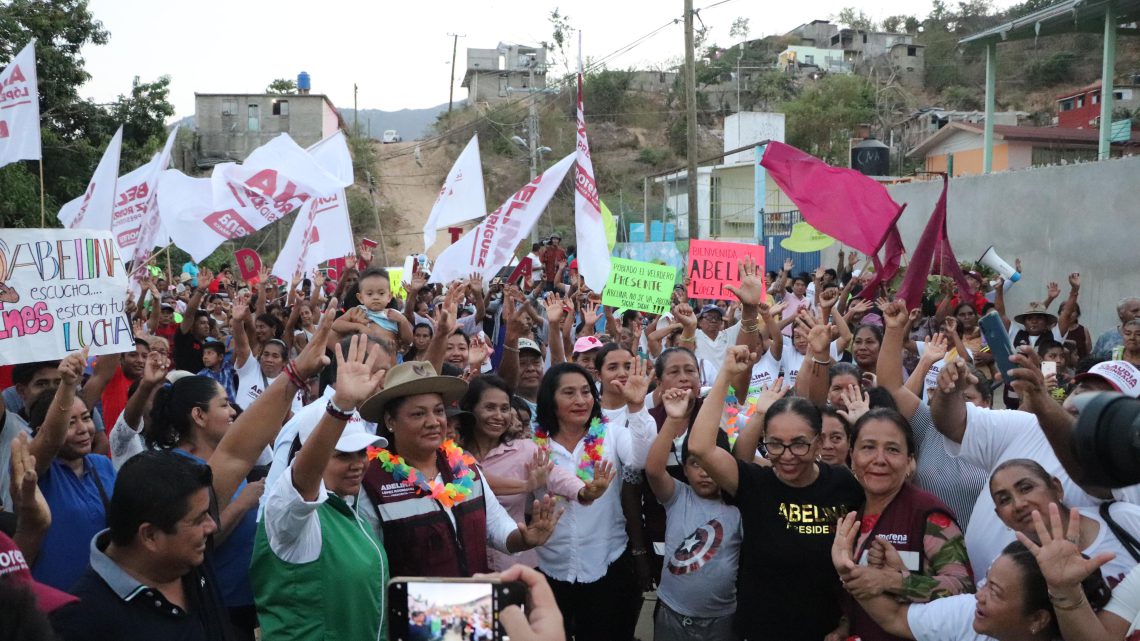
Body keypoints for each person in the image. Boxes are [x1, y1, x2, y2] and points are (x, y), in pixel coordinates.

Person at [688, 346, 864, 641]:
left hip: (826, 631)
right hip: (759, 630)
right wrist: (726, 376)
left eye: (799, 444)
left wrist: (849, 619)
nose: (786, 455)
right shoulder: (755, 483)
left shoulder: (845, 485)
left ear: (819, 443)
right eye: (775, 444)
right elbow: (700, 448)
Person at [357, 361, 561, 578]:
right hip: (412, 609)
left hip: (473, 605)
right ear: (390, 421)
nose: (433, 422)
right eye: (418, 414)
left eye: (438, 411)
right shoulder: (372, 481)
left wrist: (524, 538)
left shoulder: (465, 466)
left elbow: (496, 524)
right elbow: (370, 567)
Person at [251, 335, 390, 641]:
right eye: (342, 455)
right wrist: (340, 406)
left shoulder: (347, 510)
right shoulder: (289, 516)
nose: (358, 464)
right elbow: (302, 480)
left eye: (361, 453)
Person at [831, 511, 1111, 641]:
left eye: (995, 591)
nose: (979, 595)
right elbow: (893, 618)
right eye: (986, 582)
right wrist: (849, 571)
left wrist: (1065, 592)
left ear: (1037, 619)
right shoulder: (968, 613)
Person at [533, 362, 656, 641]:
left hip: (607, 564)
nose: (580, 400)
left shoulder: (610, 432)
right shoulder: (532, 441)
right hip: (550, 565)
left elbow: (641, 458)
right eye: (569, 393)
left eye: (586, 392)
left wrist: (636, 407)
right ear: (550, 399)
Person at [835, 409, 974, 641]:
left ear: (910, 460)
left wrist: (892, 581)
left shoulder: (928, 514)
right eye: (868, 447)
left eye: (892, 449)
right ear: (852, 455)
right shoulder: (852, 512)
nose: (879, 459)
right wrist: (844, 625)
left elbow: (964, 587)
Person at [456, 375, 613, 571]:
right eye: (490, 408)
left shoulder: (524, 449)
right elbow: (474, 479)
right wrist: (525, 486)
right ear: (470, 410)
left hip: (515, 564)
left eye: (504, 409)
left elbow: (555, 474)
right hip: (464, 566)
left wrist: (584, 491)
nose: (498, 416)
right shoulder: (452, 453)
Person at [877, 300, 990, 532]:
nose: (957, 404)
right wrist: (894, 329)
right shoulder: (928, 424)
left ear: (986, 403)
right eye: (948, 395)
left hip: (983, 556)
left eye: (967, 397)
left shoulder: (997, 434)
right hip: (928, 553)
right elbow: (891, 387)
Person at [647, 387, 742, 641]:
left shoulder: (739, 508)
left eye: (712, 464)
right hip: (672, 613)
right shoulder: (678, 496)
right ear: (685, 469)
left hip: (722, 620)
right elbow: (654, 471)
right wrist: (673, 420)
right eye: (695, 464)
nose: (704, 472)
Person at [25, 350, 117, 592]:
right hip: (54, 605)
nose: (83, 429)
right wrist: (67, 384)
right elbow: (50, 438)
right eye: (70, 423)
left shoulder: (103, 466)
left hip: (104, 599)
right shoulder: (35, 472)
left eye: (85, 418)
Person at [987, 458, 1140, 587]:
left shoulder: (1122, 519)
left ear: (1056, 487)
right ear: (1000, 516)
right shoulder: (1010, 569)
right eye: (1004, 500)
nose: (1019, 504)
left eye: (1026, 488)